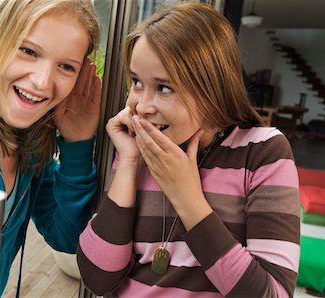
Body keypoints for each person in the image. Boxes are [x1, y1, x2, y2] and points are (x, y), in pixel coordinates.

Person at [77, 2, 300, 297]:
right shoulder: (137, 146)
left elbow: (272, 294)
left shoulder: (263, 152)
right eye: (136, 82)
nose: (141, 107)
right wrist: (130, 163)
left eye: (164, 88)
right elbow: (98, 279)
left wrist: (187, 198)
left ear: (212, 87)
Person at [0, 0, 101, 296]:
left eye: (66, 67)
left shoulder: (31, 144)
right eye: (28, 51)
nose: (42, 82)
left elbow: (65, 237)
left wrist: (77, 144)